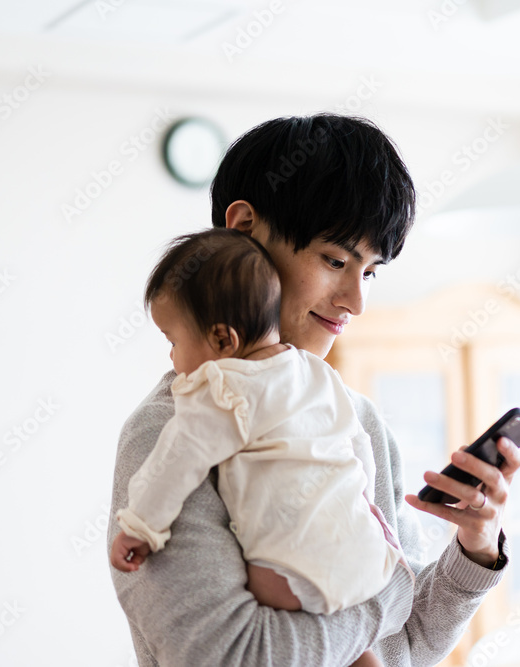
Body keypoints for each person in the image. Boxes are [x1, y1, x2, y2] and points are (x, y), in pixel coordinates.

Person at [108, 114, 520, 666]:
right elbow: (233, 655)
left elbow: (406, 649)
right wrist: (391, 595)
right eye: (336, 261)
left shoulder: (357, 418)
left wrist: (475, 548)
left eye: (370, 273)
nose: (356, 300)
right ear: (244, 228)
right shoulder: (168, 431)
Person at [109, 228, 405, 667]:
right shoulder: (321, 376)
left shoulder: (220, 389)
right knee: (355, 645)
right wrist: (368, 518)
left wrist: (140, 528)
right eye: (336, 261)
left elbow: (177, 462)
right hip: (366, 556)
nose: (173, 358)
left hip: (291, 576)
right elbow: (359, 450)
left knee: (278, 591)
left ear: (224, 341)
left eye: (173, 341)